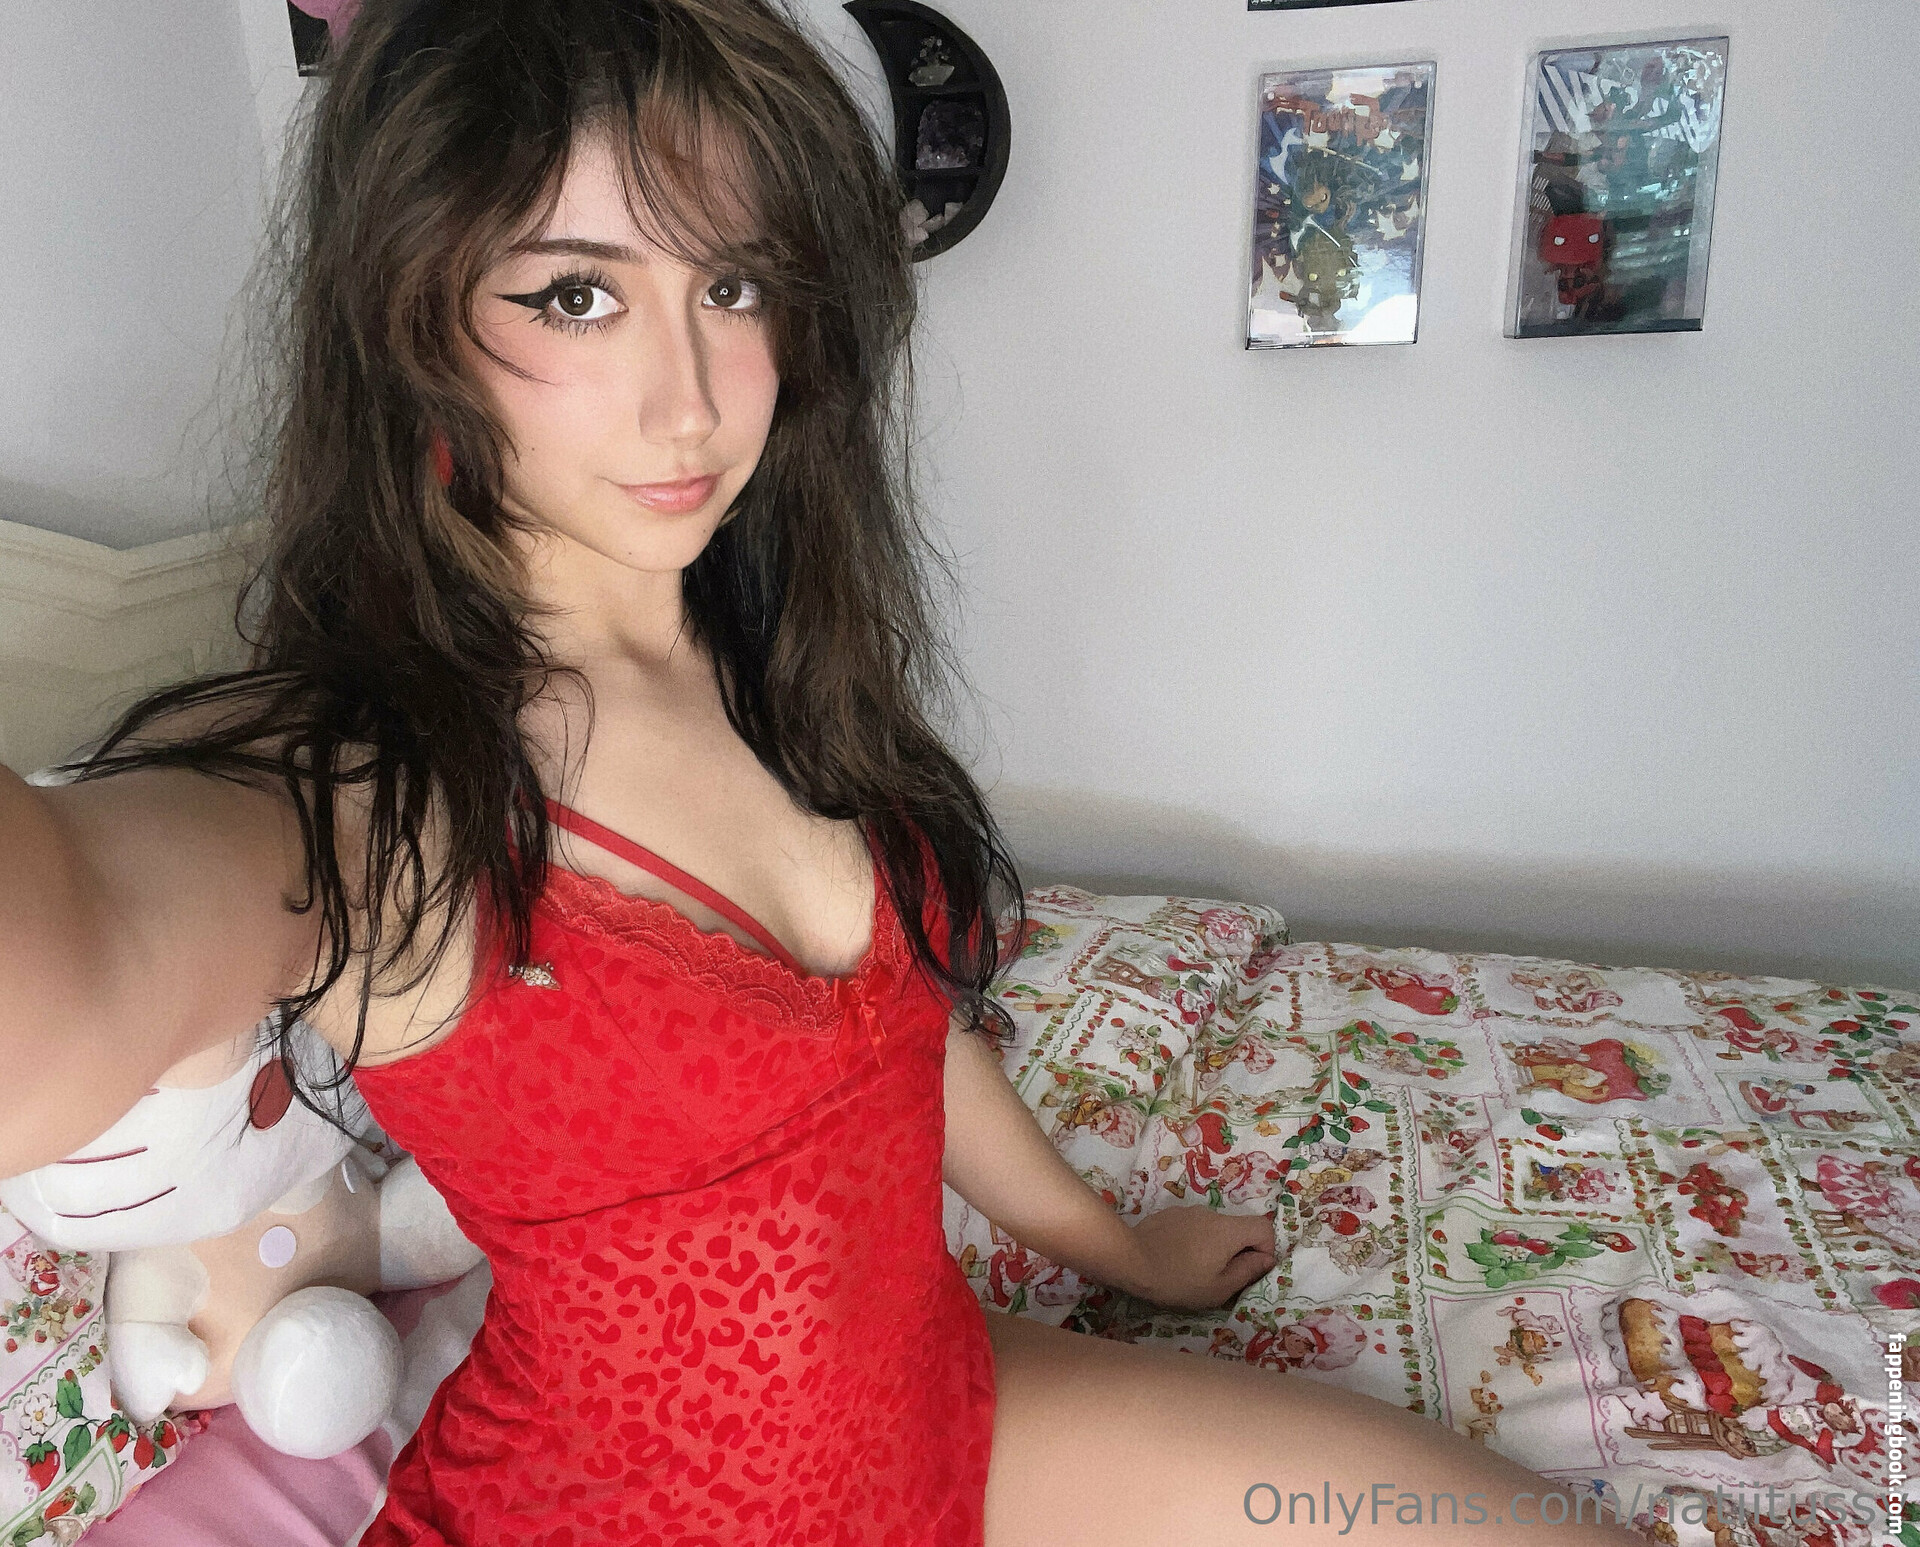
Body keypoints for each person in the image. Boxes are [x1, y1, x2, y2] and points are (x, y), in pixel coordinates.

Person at [0, 2, 1643, 1542]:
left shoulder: (765, 650)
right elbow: (78, 946)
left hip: (935, 1399)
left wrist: (1117, 1251)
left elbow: (897, 1036)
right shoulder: (367, 788)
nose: (693, 401)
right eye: (576, 295)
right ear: (407, 322)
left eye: (733, 286)